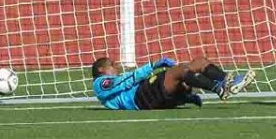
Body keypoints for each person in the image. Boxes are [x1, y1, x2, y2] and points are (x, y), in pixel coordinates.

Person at [92, 56, 256, 110]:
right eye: (112, 64)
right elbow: (124, 82)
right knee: (180, 71)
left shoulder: (108, 85)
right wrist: (152, 66)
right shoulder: (100, 83)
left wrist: (185, 98)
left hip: (147, 95)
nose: (117, 66)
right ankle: (220, 89)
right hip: (139, 98)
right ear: (101, 70)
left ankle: (227, 80)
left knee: (198, 61)